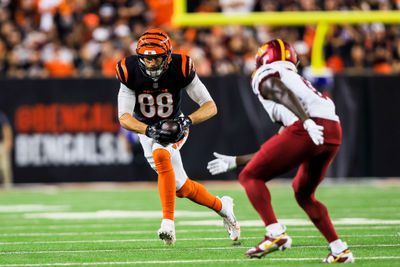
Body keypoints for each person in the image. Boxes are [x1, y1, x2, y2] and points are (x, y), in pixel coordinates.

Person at [207, 39, 354, 263]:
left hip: (309, 126)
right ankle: (339, 249)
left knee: (250, 177)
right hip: (333, 131)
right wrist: (238, 160)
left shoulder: (266, 73)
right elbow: (282, 143)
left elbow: (278, 89)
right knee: (303, 193)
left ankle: (275, 233)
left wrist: (306, 122)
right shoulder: (299, 81)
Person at [116, 28, 240, 245]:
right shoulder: (129, 70)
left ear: (168, 56)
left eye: (156, 59)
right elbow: (124, 117)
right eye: (147, 58)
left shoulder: (181, 67)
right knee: (181, 188)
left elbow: (210, 106)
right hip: (145, 129)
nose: (152, 63)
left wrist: (186, 121)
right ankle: (223, 207)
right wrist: (148, 130)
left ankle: (168, 224)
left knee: (161, 152)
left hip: (174, 124)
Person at [0, 110, 13, 189]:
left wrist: (8, 141)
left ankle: (8, 188)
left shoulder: (1, 116)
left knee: (5, 168)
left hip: (1, 145)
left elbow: (6, 128)